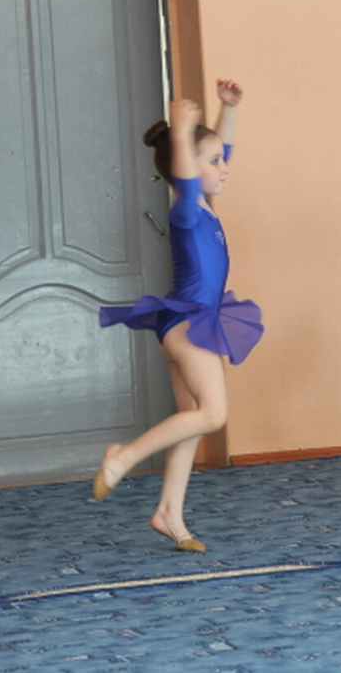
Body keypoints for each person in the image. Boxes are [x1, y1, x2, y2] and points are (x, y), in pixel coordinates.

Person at [94, 80, 262, 551]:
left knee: (190, 417)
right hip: (190, 324)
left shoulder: (204, 205)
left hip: (183, 324)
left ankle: (169, 512)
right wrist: (185, 133)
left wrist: (228, 110)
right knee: (213, 414)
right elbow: (189, 179)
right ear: (187, 168)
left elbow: (218, 153)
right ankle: (124, 456)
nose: (225, 167)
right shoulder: (186, 211)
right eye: (214, 162)